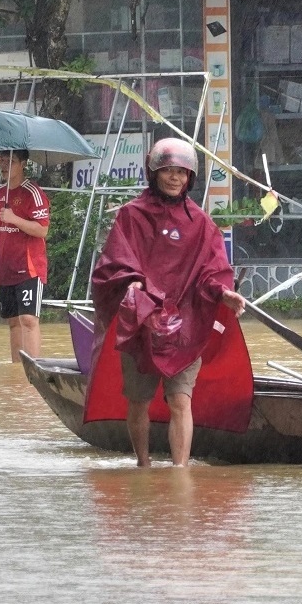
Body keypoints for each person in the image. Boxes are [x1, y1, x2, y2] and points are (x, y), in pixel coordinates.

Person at [87, 138, 246, 466]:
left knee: (180, 401)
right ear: (154, 172)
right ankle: (143, 464)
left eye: (181, 172)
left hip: (185, 325)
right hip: (143, 323)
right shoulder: (132, 215)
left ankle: (180, 470)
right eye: (168, 170)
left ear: (190, 178)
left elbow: (211, 271)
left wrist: (224, 294)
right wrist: (132, 285)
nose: (175, 177)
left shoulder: (201, 223)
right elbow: (114, 264)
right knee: (138, 402)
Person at [0, 149, 51, 362]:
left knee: (28, 319)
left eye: (11, 161)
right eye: (3, 161)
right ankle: (17, 372)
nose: (5, 166)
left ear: (23, 164)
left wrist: (14, 218)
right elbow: (0, 232)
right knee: (13, 321)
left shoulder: (33, 193)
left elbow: (42, 230)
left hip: (29, 268)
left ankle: (33, 371)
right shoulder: (0, 194)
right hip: (6, 267)